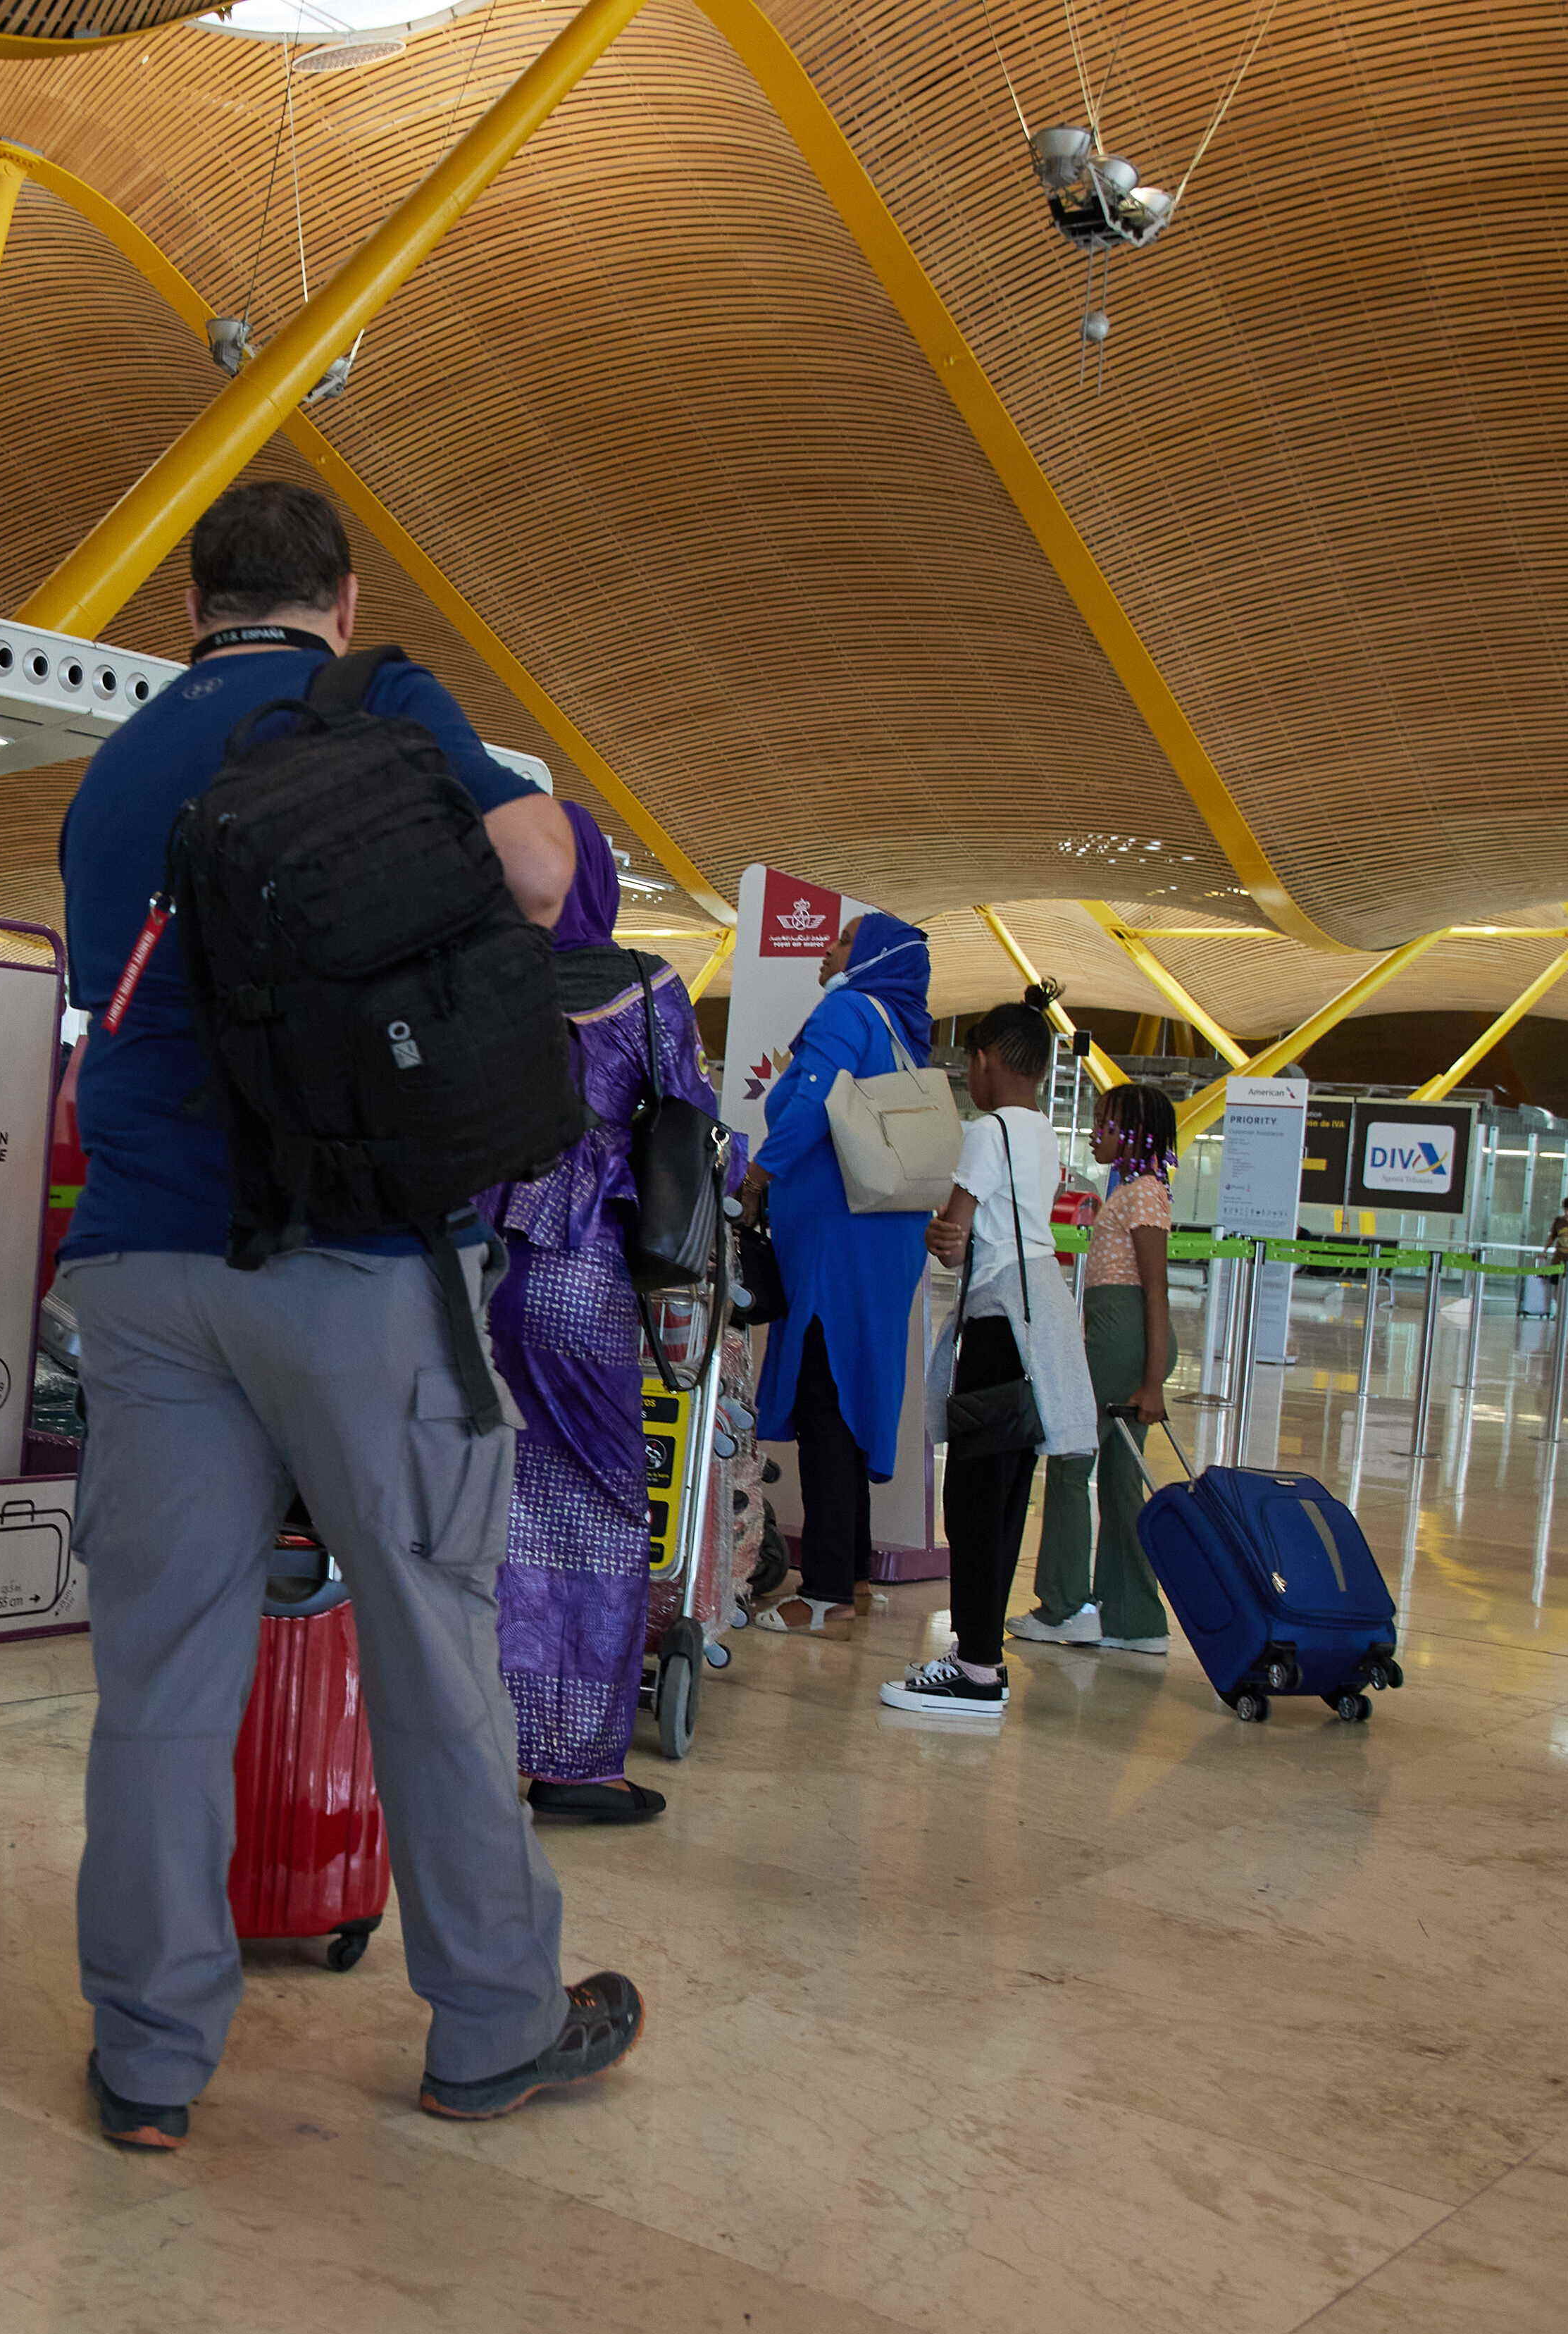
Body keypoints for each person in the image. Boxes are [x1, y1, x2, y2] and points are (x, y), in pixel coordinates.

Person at [53, 482, 640, 2149]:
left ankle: (152, 2058)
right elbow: (535, 872)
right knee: (429, 1646)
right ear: (341, 590)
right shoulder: (376, 695)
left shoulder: (111, 771)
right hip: (359, 1266)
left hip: (145, 1266)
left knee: (161, 1670)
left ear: (191, 603)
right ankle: (491, 2025)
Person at [486, 803, 738, 1824]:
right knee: (598, 1500)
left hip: (466, 1265)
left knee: (482, 1499)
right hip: (577, 1271)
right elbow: (687, 1122)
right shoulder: (649, 987)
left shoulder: (484, 984)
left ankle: (471, 1737)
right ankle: (576, 1762)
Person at [887, 987, 1097, 1717]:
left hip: (1000, 1324)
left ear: (983, 1061)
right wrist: (956, 1238)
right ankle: (981, 1658)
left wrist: (939, 1234)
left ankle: (974, 1668)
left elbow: (952, 1236)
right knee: (1006, 1501)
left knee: (972, 1499)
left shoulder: (986, 1130)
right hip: (1040, 1326)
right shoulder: (1041, 1131)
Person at [747, 908, 938, 1637]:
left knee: (825, 1395)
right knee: (851, 1394)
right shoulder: (898, 1029)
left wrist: (758, 1175)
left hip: (836, 1244)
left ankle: (821, 1592)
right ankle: (850, 1574)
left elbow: (816, 1104)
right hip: (881, 1246)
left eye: (846, 940)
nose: (828, 948)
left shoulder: (847, 1009)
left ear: (875, 957)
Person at [1018, 1081, 1175, 1656]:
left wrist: (1153, 1381)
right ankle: (1133, 1617)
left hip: (1120, 1338)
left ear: (1134, 1133)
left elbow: (1155, 1292)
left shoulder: (1143, 1195)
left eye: (1106, 1124)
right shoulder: (1136, 1191)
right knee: (1117, 1477)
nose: (1095, 1132)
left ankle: (1063, 1607)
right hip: (1119, 1335)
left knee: (1068, 1457)